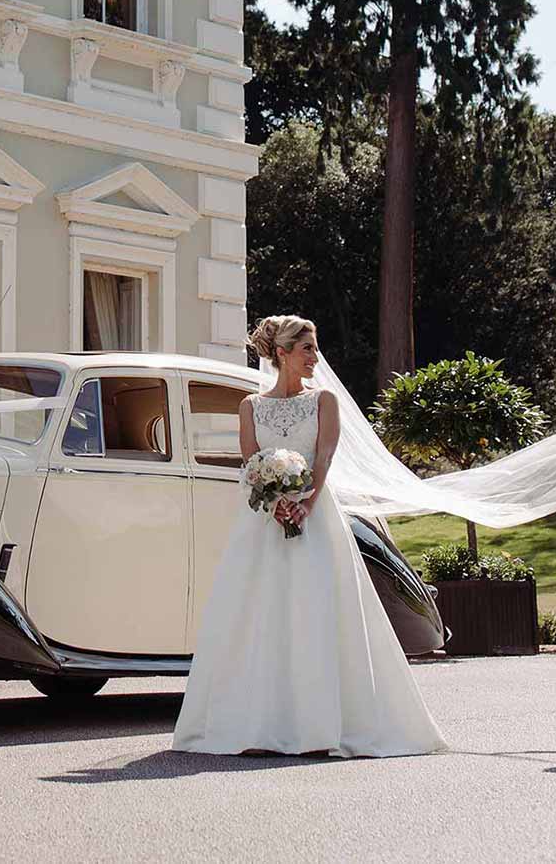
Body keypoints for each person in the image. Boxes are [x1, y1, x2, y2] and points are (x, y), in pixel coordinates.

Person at [173, 314, 448, 758]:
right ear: (282, 354)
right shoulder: (250, 407)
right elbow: (250, 465)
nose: (315, 358)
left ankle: (323, 724)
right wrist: (275, 501)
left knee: (316, 614)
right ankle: (260, 725)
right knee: (260, 617)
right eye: (307, 350)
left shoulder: (324, 402)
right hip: (263, 525)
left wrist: (305, 504)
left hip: (316, 521)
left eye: (316, 350)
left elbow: (324, 458)